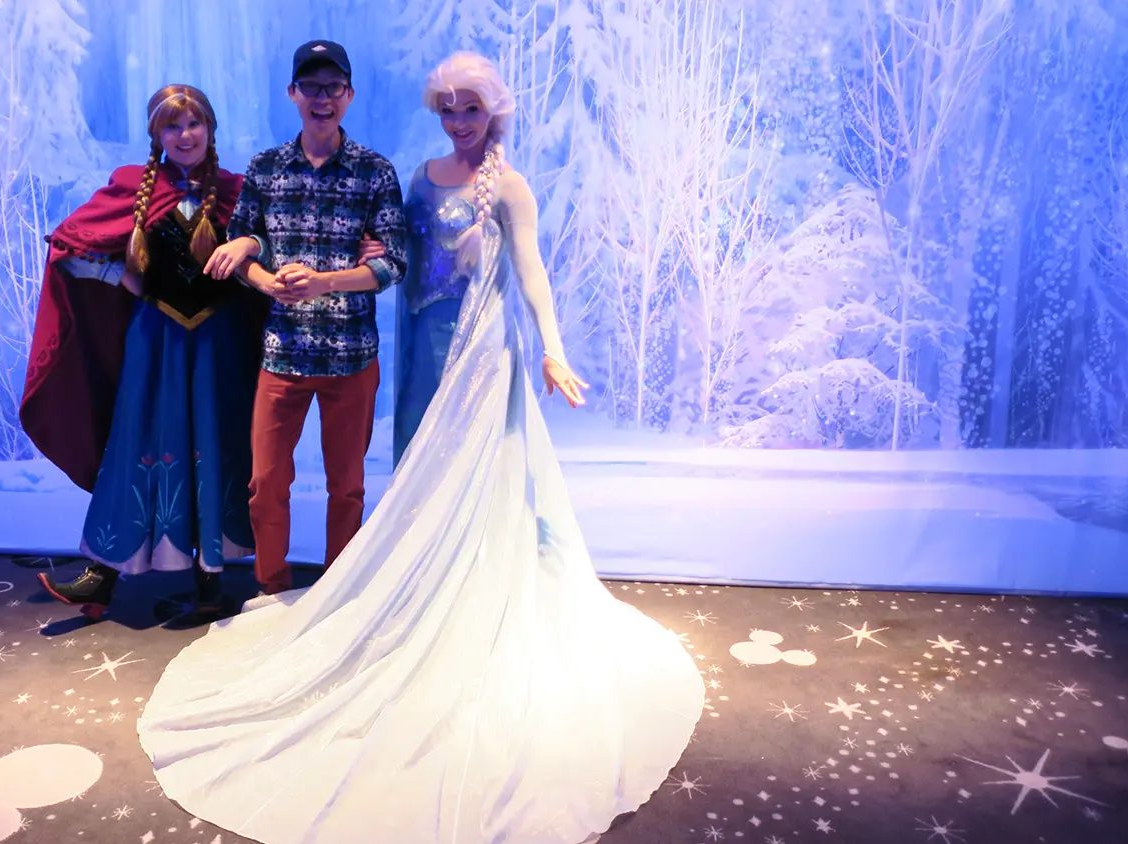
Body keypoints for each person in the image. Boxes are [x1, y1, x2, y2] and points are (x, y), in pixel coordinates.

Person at [137, 53, 705, 842]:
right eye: (450, 108)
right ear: (297, 94)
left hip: (455, 350)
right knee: (323, 480)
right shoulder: (362, 172)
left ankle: (438, 594)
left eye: (471, 109)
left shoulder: (458, 179)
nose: (460, 121)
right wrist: (265, 275)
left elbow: (491, 265)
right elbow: (307, 252)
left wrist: (550, 344)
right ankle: (309, 594)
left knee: (425, 484)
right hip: (390, 350)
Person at [202, 39, 407, 609]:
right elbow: (243, 247)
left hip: (350, 356)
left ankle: (337, 595)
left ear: (349, 95)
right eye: (311, 87)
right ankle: (270, 590)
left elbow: (393, 262)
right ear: (293, 93)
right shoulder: (267, 168)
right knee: (266, 483)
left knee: (347, 487)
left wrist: (325, 281)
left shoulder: (374, 171)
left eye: (333, 88)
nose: (322, 98)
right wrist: (263, 278)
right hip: (282, 353)